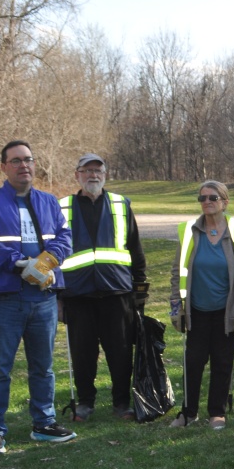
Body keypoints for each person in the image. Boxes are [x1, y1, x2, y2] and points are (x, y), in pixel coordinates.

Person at [0, 140, 77, 455]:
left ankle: (44, 423)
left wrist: (43, 265)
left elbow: (65, 237)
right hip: (4, 300)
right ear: (3, 167)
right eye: (16, 160)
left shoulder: (48, 202)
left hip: (43, 300)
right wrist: (21, 264)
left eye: (28, 159)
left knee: (43, 366)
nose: (24, 165)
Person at [58, 153, 148, 421]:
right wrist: (58, 296)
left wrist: (139, 290)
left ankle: (121, 403)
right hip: (78, 293)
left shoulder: (121, 204)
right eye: (87, 171)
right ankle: (85, 402)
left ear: (105, 175)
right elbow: (53, 252)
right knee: (82, 353)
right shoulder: (61, 207)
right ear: (77, 175)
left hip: (117, 292)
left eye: (98, 170)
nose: (93, 175)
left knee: (120, 352)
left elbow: (135, 247)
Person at [169, 181, 234, 430]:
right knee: (193, 362)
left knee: (222, 362)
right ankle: (189, 412)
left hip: (226, 312)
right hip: (196, 311)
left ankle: (217, 412)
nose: (207, 202)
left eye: (213, 197)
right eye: (202, 198)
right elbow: (176, 271)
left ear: (225, 202)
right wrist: (175, 305)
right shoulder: (189, 231)